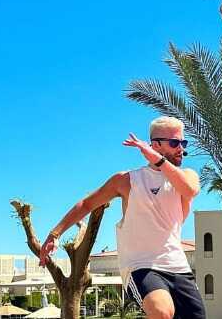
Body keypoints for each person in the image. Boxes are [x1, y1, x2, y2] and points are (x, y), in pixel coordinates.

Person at [39, 116, 206, 319]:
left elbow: (190, 190)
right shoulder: (127, 180)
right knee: (162, 312)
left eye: (183, 143)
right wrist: (55, 234)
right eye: (174, 143)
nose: (181, 148)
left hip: (178, 266)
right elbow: (87, 204)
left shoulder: (187, 176)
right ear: (155, 145)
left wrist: (158, 160)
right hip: (141, 266)